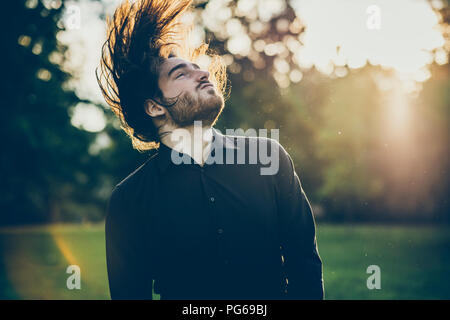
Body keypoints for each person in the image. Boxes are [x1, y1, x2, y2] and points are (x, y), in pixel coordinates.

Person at [96, 0, 324, 300]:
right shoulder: (129, 201)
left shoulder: (269, 159)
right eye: (181, 74)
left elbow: (304, 265)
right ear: (154, 106)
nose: (202, 74)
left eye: (198, 68)